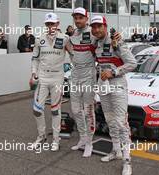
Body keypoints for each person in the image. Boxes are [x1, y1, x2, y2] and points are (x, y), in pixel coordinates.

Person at [90, 15, 137, 175]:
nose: (96, 30)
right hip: (104, 87)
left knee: (121, 123)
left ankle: (127, 160)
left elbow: (133, 63)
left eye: (99, 26)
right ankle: (116, 151)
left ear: (105, 26)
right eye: (93, 27)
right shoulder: (95, 43)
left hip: (117, 86)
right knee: (110, 121)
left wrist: (114, 72)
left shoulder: (117, 41)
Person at [30, 12, 72, 151]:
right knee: (37, 109)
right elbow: (35, 58)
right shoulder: (39, 39)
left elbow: (74, 55)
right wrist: (33, 73)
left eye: (52, 23)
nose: (50, 26)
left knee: (55, 110)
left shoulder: (65, 39)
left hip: (57, 78)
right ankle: (41, 136)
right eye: (48, 24)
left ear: (57, 24)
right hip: (42, 77)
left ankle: (55, 138)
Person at [68, 7, 97, 158]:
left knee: (88, 111)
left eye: (81, 17)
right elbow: (68, 47)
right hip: (75, 74)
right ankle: (82, 138)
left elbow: (106, 39)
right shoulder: (72, 35)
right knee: (76, 110)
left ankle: (90, 143)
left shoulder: (94, 33)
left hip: (88, 76)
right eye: (76, 17)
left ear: (87, 18)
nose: (78, 20)